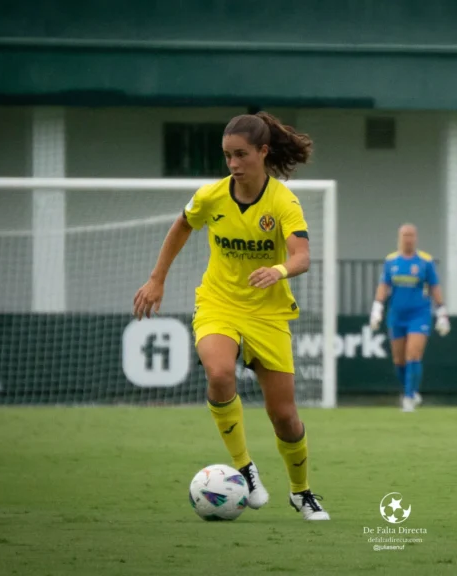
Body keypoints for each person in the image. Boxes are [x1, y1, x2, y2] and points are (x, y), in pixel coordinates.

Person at [132, 112, 329, 521]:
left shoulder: (283, 202)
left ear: (263, 151)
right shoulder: (211, 196)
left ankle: (301, 491)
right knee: (219, 374)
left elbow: (302, 257)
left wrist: (277, 270)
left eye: (241, 155)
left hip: (268, 313)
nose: (234, 164)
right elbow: (182, 226)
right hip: (218, 304)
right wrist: (156, 278)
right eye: (227, 156)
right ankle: (245, 469)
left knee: (285, 417)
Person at [369, 224, 450, 412]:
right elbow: (384, 285)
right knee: (399, 360)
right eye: (405, 235)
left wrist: (442, 313)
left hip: (419, 315)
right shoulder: (391, 262)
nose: (408, 239)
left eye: (412, 235)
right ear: (399, 237)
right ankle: (410, 390)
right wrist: (377, 308)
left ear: (416, 238)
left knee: (413, 354)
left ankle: (409, 396)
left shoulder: (425, 261)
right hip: (396, 315)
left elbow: (435, 287)